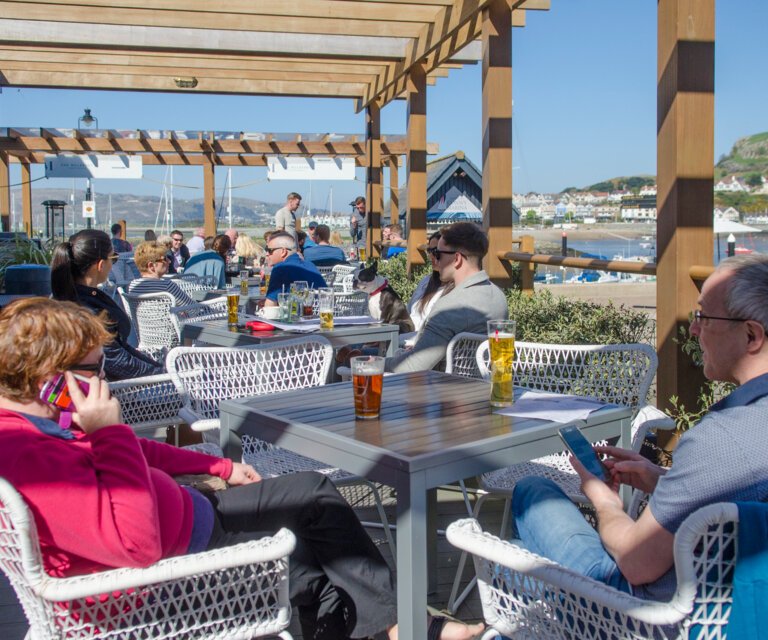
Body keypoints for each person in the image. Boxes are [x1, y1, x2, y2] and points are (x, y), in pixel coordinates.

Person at [0, 297, 482, 640]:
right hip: (156, 581)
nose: (103, 380)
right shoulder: (26, 452)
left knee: (312, 495)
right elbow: (137, 545)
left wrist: (218, 465)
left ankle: (398, 625)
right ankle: (408, 627)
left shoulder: (41, 424)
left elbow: (140, 459)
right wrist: (109, 432)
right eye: (92, 370)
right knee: (308, 568)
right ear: (47, 378)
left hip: (192, 518)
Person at [511, 254, 768, 602]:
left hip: (645, 611)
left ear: (752, 335)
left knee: (532, 492)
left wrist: (604, 502)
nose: (693, 329)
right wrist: (662, 478)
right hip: (743, 601)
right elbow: (736, 492)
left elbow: (635, 561)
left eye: (703, 316)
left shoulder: (722, 439)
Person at [385, 222, 508, 373]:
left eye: (438, 254)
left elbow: (412, 367)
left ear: (457, 259)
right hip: (484, 386)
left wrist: (375, 364)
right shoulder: (498, 296)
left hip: (441, 389)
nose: (435, 260)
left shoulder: (450, 306)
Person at [50, 229, 163, 381]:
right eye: (113, 258)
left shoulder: (74, 297)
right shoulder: (86, 310)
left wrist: (159, 368)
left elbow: (119, 349)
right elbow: (118, 362)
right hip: (120, 393)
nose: (113, 262)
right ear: (101, 265)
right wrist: (166, 375)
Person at [263, 231, 326, 307]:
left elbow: (269, 307)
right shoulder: (310, 265)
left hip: (296, 316)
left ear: (283, 251)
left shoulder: (280, 268)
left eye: (269, 250)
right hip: (318, 314)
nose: (266, 254)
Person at [407, 229, 453, 333]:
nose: (431, 256)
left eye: (436, 251)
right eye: (429, 251)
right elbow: (408, 314)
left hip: (422, 343)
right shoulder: (426, 281)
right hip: (405, 338)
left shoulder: (457, 289)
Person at [128, 241, 196, 307]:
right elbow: (193, 309)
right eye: (165, 259)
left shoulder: (133, 285)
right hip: (170, 318)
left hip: (141, 319)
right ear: (151, 266)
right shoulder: (167, 285)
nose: (169, 261)